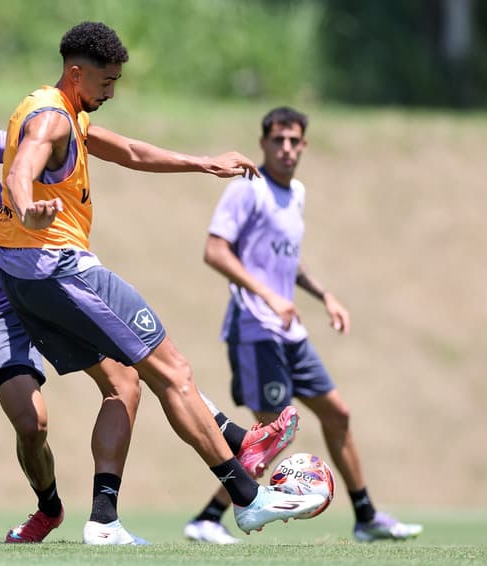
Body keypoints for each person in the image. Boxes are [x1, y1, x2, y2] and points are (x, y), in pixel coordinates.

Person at [0, 99, 301, 545]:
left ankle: (109, 515)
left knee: (129, 379)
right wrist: (15, 249)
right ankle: (49, 509)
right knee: (31, 425)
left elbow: (34, 153)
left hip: (41, 281)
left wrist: (194, 162)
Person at [0, 20, 328, 541]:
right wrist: (25, 204)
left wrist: (203, 163)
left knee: (124, 382)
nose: (112, 91)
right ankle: (249, 495)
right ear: (77, 73)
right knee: (173, 369)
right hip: (60, 270)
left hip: (25, 279)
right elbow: (22, 168)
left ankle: (104, 521)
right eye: (106, 82)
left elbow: (127, 151)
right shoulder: (52, 121)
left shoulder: (56, 108)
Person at [184, 106, 423, 543]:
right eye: (278, 140)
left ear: (304, 145)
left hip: (290, 333)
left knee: (338, 414)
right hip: (255, 330)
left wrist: (324, 295)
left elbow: (286, 262)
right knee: (272, 435)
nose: (287, 148)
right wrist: (269, 295)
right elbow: (215, 251)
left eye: (295, 141)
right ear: (263, 144)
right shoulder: (247, 189)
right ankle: (207, 518)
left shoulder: (296, 194)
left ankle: (366, 517)